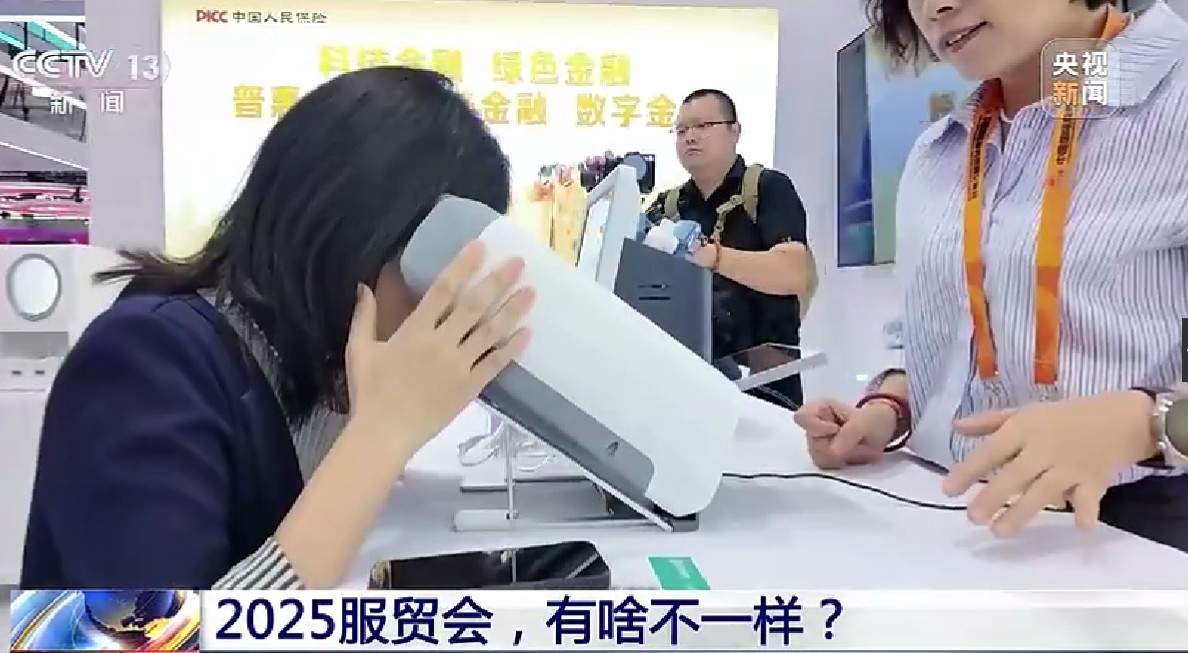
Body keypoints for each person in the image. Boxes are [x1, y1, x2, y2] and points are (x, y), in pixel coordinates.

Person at [21, 66, 536, 589]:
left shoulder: (334, 384)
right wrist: (379, 438)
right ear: (350, 236)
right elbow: (156, 631)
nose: (444, 302)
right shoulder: (145, 363)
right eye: (437, 268)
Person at [796, 0, 1188, 550]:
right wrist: (892, 406)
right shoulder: (939, 149)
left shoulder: (1175, 104)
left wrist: (1145, 423)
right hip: (938, 507)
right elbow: (945, 333)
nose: (935, 7)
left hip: (1130, 531)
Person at [646, 89, 814, 407]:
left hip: (767, 389)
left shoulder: (767, 188)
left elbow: (793, 273)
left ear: (734, 131)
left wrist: (716, 257)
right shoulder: (668, 206)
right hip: (689, 389)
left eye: (702, 126)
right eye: (681, 130)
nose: (689, 137)